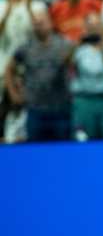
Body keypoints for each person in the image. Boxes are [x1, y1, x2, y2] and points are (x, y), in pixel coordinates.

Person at [5, 10, 72, 142]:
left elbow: (74, 65)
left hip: (60, 108)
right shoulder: (26, 47)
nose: (38, 27)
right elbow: (9, 69)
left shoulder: (64, 45)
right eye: (35, 24)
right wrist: (13, 93)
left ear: (51, 24)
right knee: (34, 150)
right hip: (35, 108)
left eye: (41, 23)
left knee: (63, 150)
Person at [69, 13, 103, 140]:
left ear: (102, 27)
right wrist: (78, 44)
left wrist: (102, 48)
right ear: (85, 28)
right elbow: (67, 65)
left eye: (97, 25)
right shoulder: (79, 49)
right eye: (90, 25)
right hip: (85, 99)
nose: (94, 28)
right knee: (83, 139)